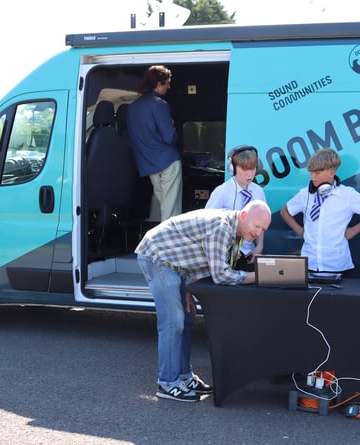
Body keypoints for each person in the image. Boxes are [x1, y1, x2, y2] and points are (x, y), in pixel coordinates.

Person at [136, 200, 272, 402]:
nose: (259, 233)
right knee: (173, 322)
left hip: (177, 265)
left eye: (263, 229)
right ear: (243, 216)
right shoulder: (222, 228)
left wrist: (189, 288)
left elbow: (201, 257)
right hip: (158, 257)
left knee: (187, 320)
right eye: (257, 226)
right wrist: (260, 276)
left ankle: (184, 377)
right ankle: (167, 383)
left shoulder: (236, 231)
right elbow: (221, 275)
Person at [280, 148, 360, 276]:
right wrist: (300, 231)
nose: (312, 176)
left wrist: (353, 230)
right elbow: (284, 212)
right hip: (309, 263)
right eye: (311, 172)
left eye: (317, 173)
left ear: (331, 172)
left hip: (337, 265)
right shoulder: (305, 194)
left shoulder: (347, 194)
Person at [127, 65, 182, 221]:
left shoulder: (132, 108)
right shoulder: (159, 104)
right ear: (159, 83)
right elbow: (169, 136)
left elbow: (131, 140)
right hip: (168, 162)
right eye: (167, 83)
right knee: (171, 211)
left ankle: (157, 240)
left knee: (161, 205)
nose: (169, 86)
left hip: (148, 164)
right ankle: (169, 243)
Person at [205, 145, 266, 271]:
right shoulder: (221, 192)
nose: (250, 174)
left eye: (253, 169)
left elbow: (261, 222)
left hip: (247, 253)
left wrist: (259, 246)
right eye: (244, 169)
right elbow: (207, 224)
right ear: (232, 168)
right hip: (224, 255)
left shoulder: (258, 191)